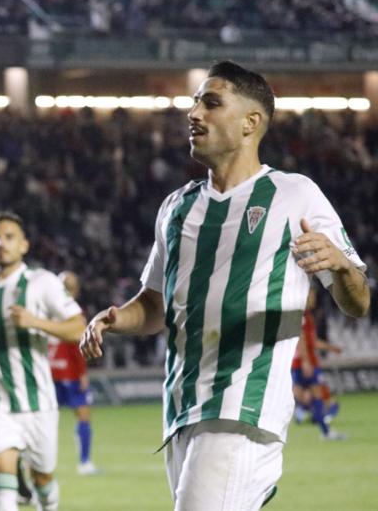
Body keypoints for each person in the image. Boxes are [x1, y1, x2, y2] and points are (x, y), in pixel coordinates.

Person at [81, 61, 370, 510]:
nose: (194, 112)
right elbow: (155, 305)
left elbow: (357, 303)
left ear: (251, 122)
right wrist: (117, 318)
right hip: (181, 410)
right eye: (195, 101)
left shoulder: (294, 194)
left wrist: (343, 267)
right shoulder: (177, 207)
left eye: (211, 102)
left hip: (244, 408)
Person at [0, 212, 84, 511]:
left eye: (9, 237)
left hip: (38, 402)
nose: (1, 243)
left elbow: (78, 328)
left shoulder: (43, 283)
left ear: (24, 245)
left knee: (42, 480)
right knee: (3, 484)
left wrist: (36, 321)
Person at [49, 271, 97, 474]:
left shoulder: (46, 309)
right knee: (83, 416)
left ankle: (39, 466)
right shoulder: (73, 313)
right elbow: (77, 346)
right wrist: (83, 373)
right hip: (69, 374)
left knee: (44, 421)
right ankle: (84, 463)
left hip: (48, 373)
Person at [291, 286, 344, 439]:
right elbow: (300, 340)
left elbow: (312, 341)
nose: (313, 299)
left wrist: (331, 347)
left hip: (301, 363)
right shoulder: (301, 315)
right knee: (317, 395)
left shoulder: (307, 316)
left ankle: (304, 412)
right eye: (311, 295)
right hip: (304, 363)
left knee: (306, 394)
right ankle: (325, 431)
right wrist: (306, 361)